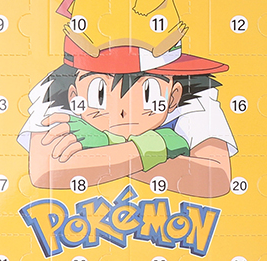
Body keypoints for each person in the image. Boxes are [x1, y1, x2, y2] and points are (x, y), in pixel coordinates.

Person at [18, 40, 236, 198]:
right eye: (99, 92)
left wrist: (106, 145)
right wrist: (158, 145)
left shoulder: (195, 96)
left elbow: (214, 178)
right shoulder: (55, 90)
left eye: (148, 92)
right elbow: (44, 171)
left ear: (173, 96)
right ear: (73, 95)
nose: (122, 111)